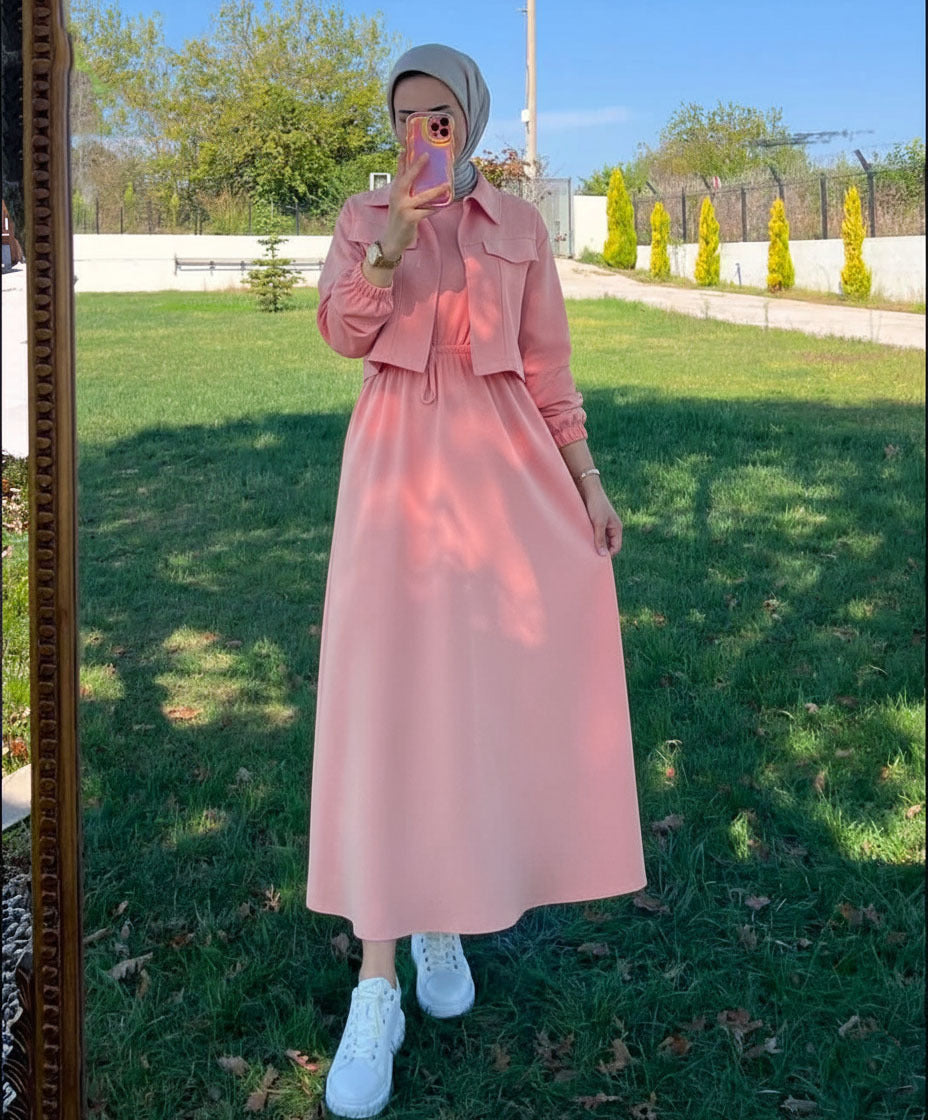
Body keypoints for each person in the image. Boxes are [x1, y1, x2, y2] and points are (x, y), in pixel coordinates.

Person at [305, 43, 648, 1119]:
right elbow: (343, 335)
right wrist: (392, 244)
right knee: (388, 702)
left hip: (505, 468)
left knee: (481, 694)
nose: (421, 133)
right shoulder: (366, 216)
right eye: (405, 116)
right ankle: (378, 978)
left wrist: (587, 483)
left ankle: (442, 910)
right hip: (394, 469)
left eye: (440, 116)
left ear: (473, 122)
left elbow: (548, 366)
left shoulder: (522, 228)